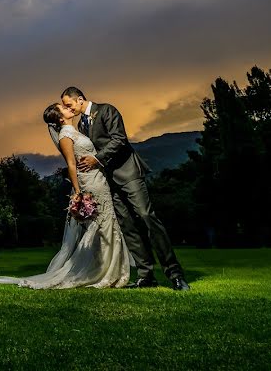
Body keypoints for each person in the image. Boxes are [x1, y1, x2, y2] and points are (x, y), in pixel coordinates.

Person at [61, 87, 190, 291]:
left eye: (69, 104)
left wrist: (97, 159)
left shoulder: (107, 110)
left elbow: (119, 139)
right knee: (128, 226)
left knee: (146, 216)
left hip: (128, 173)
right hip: (108, 182)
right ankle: (146, 275)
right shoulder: (81, 126)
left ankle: (175, 273)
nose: (68, 109)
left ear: (80, 99)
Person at [0, 101, 131, 289]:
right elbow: (71, 164)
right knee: (102, 225)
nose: (69, 108)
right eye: (64, 108)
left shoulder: (76, 131)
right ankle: (103, 273)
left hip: (99, 178)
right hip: (89, 182)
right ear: (60, 117)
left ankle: (111, 271)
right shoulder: (65, 135)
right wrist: (78, 192)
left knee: (108, 224)